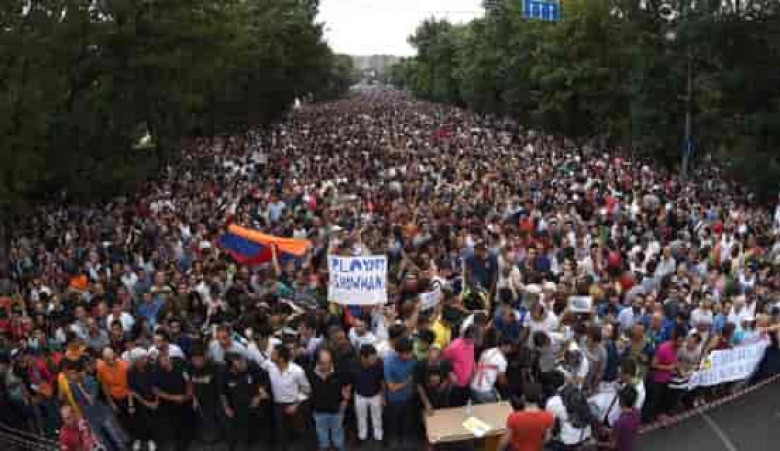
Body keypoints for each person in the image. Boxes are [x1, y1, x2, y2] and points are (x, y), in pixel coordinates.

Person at [219, 352, 270, 451]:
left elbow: (264, 378)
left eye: (243, 361)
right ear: (232, 368)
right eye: (240, 364)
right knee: (239, 427)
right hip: (237, 404)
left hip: (254, 401)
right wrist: (226, 407)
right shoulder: (223, 373)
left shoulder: (251, 365)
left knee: (259, 424)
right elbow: (222, 392)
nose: (244, 365)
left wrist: (259, 395)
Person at [307, 348, 351, 451]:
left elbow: (347, 385)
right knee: (321, 433)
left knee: (337, 433)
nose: (327, 366)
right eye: (323, 363)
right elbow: (306, 390)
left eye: (329, 362)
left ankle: (339, 448)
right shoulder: (310, 373)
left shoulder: (339, 370)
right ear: (317, 362)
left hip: (337, 410)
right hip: (318, 411)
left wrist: (345, 401)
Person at [153, 352, 193, 451]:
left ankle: (187, 439)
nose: (165, 361)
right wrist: (174, 398)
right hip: (170, 403)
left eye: (166, 358)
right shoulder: (157, 373)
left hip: (185, 399)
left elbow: (188, 380)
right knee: (175, 425)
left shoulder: (180, 366)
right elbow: (156, 391)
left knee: (187, 421)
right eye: (162, 360)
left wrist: (188, 394)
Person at [498, 382, 554, 451]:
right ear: (540, 397)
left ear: (523, 397)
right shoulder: (548, 416)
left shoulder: (513, 417)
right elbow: (547, 438)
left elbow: (505, 440)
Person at [383, 336, 417, 449]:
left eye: (410, 352)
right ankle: (394, 439)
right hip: (394, 399)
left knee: (407, 421)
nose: (409, 355)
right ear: (398, 352)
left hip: (409, 397)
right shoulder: (389, 362)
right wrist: (407, 381)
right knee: (393, 422)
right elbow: (391, 387)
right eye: (406, 354)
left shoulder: (413, 358)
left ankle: (406, 438)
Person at [127, 348, 159, 451]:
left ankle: (151, 440)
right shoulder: (130, 372)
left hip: (152, 398)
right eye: (143, 358)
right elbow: (131, 390)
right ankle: (139, 438)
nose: (146, 360)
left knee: (151, 421)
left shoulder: (152, 368)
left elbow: (156, 387)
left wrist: (156, 401)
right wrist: (131, 404)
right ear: (136, 361)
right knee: (139, 421)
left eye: (145, 358)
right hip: (139, 400)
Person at [354, 344, 383, 443]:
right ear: (363, 358)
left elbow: (381, 380)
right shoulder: (354, 365)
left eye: (375, 357)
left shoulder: (379, 363)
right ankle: (362, 436)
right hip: (360, 395)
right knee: (361, 417)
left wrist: (383, 396)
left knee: (377, 417)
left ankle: (378, 436)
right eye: (372, 358)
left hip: (375, 395)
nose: (375, 360)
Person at [471, 336, 513, 403]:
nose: (511, 350)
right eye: (510, 347)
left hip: (473, 386)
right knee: (496, 405)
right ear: (504, 346)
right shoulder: (502, 360)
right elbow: (502, 381)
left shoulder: (487, 351)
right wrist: (508, 386)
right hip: (484, 391)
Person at [443, 325, 477, 406]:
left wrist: (473, 368)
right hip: (456, 385)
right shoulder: (454, 346)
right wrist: (450, 373)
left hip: (467, 383)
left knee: (464, 405)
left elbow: (471, 357)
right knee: (455, 407)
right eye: (475, 339)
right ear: (470, 337)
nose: (476, 341)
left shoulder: (471, 344)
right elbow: (443, 360)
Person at [611, 385, 641, 451]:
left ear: (621, 401)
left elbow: (613, 444)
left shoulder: (619, 422)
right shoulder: (637, 412)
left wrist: (597, 443)